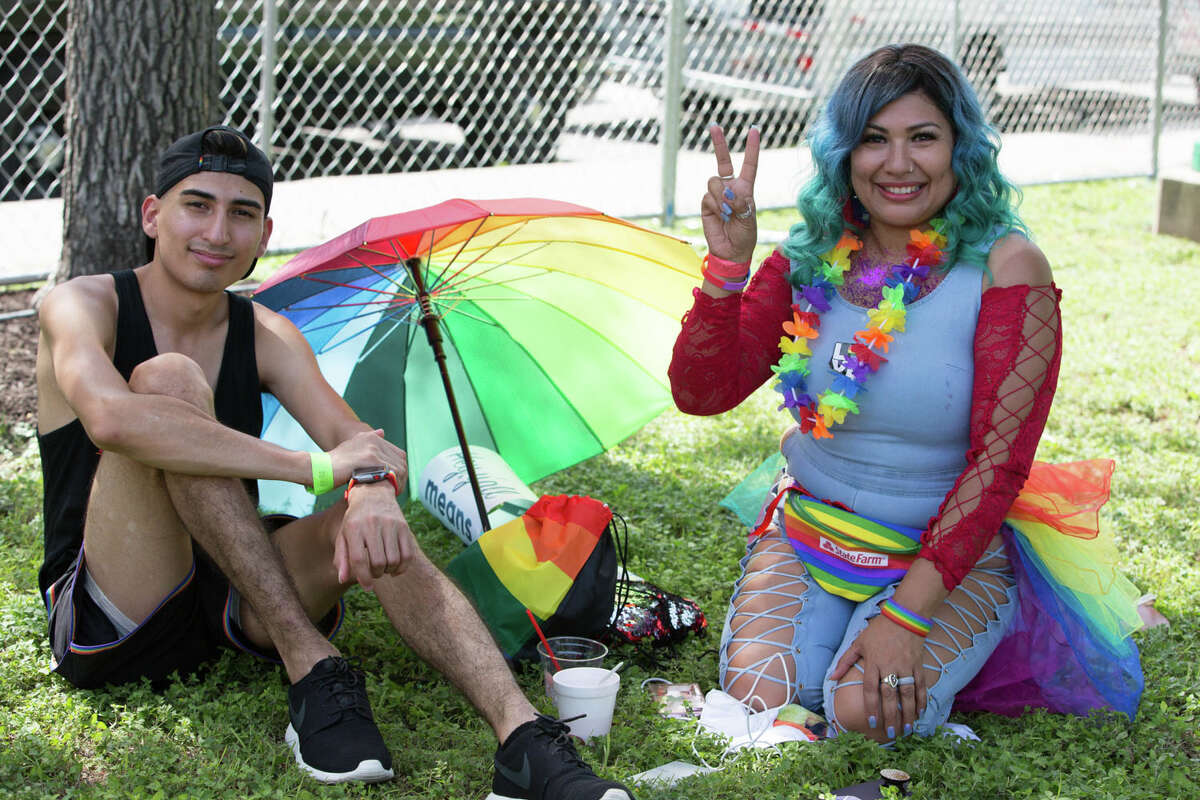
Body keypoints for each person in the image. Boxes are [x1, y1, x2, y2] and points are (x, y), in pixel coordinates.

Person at [35, 124, 635, 800]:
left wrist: (372, 489)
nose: (217, 232)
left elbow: (356, 439)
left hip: (236, 593)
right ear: (153, 215)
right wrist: (317, 471)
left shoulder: (264, 333)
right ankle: (311, 661)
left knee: (372, 523)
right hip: (116, 606)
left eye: (242, 214)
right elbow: (114, 421)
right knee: (168, 384)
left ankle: (522, 740)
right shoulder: (84, 304)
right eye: (196, 205)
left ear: (264, 236)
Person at [669, 44, 1142, 743]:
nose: (897, 164)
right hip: (811, 534)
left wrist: (909, 615)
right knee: (758, 702)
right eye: (874, 140)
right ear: (843, 155)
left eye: (923, 137)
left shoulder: (1008, 268)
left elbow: (999, 465)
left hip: (943, 556)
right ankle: (846, 636)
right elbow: (702, 393)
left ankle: (967, 643)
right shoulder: (808, 260)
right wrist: (729, 264)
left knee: (862, 714)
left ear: (961, 146)